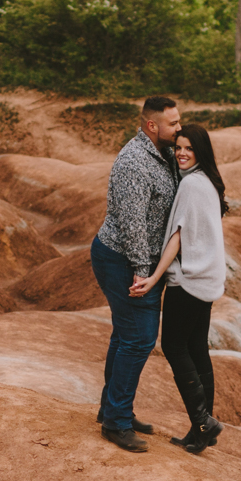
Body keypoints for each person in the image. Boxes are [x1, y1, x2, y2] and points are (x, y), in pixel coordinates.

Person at [89, 95, 180, 451]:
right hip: (122, 258)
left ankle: (112, 409)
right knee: (139, 339)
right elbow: (132, 227)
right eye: (173, 123)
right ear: (151, 126)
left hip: (134, 257)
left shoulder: (164, 153)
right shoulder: (134, 163)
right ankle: (116, 422)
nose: (179, 128)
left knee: (124, 336)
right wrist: (145, 274)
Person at [132, 124, 227, 453]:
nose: (182, 153)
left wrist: (155, 277)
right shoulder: (208, 183)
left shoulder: (191, 186)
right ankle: (201, 430)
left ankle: (203, 421)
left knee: (174, 346)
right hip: (209, 280)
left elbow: (176, 236)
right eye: (179, 147)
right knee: (198, 349)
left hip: (189, 281)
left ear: (200, 151)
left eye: (189, 148)